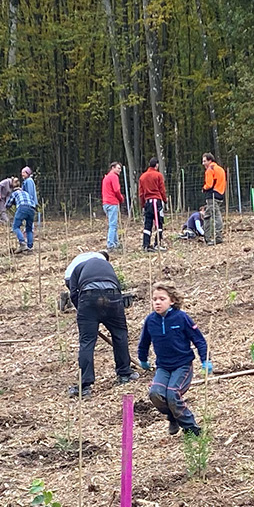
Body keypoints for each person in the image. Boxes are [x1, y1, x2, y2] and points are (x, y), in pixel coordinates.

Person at [137, 282, 211, 435]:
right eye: (154, 299)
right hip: (163, 366)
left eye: (162, 299)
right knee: (155, 394)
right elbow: (144, 342)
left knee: (172, 394)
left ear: (172, 300)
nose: (157, 302)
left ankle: (191, 428)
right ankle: (172, 416)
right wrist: (143, 359)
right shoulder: (150, 321)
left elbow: (199, 340)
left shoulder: (181, 318)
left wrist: (205, 360)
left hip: (182, 365)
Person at [64, 249, 133, 395]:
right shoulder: (106, 266)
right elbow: (118, 288)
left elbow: (73, 293)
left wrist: (83, 312)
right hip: (113, 296)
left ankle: (85, 386)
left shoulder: (77, 267)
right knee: (120, 334)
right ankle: (125, 374)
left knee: (87, 341)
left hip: (88, 299)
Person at [136, 160, 169, 251]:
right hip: (156, 201)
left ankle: (145, 245)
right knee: (159, 223)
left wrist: (143, 204)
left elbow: (141, 193)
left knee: (148, 223)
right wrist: (165, 200)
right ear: (157, 165)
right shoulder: (158, 175)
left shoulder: (142, 177)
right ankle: (157, 243)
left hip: (147, 202)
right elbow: (162, 189)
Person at [12, 166, 39, 251]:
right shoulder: (26, 181)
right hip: (31, 206)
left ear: (27, 173)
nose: (22, 174)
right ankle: (30, 247)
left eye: (23, 172)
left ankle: (23, 243)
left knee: (18, 226)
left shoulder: (29, 181)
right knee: (28, 228)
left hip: (27, 205)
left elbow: (29, 194)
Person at [101, 160, 125, 251]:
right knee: (113, 225)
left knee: (113, 224)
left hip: (105, 203)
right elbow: (116, 190)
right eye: (118, 168)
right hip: (112, 203)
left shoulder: (106, 177)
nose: (120, 170)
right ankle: (110, 244)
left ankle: (116, 243)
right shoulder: (114, 177)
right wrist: (121, 198)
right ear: (113, 168)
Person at [202, 152, 227, 235]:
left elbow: (209, 185)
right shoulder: (220, 169)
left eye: (204, 161)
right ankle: (209, 236)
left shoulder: (210, 170)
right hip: (220, 194)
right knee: (208, 215)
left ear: (210, 160)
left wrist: (204, 188)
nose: (203, 163)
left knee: (213, 216)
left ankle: (216, 236)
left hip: (212, 195)